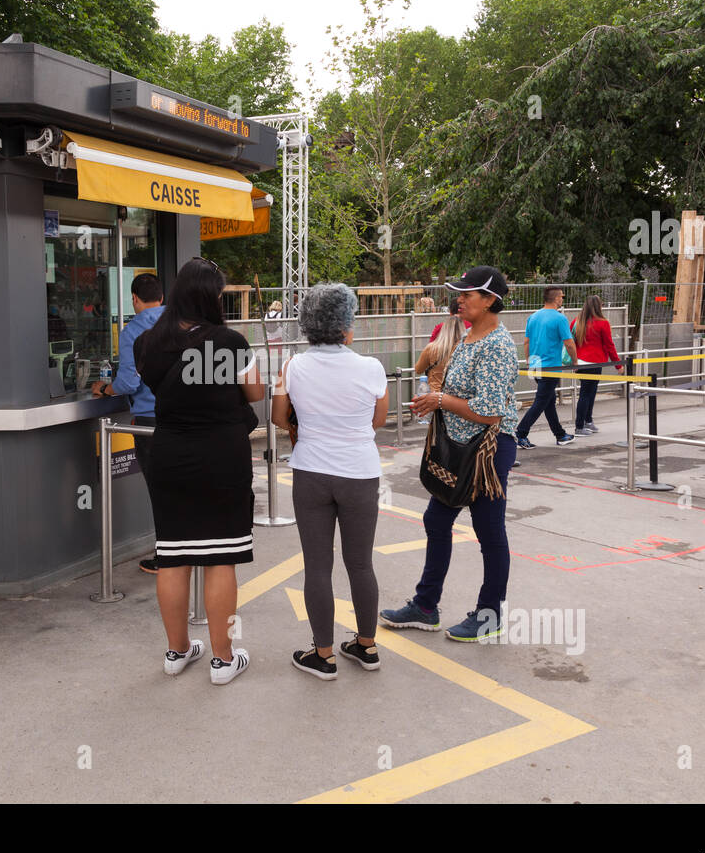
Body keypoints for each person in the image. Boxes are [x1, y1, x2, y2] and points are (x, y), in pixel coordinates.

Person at [134, 258, 265, 685]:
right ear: (213, 297)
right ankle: (223, 660)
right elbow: (256, 393)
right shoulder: (229, 342)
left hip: (168, 451)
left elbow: (156, 386)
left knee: (172, 553)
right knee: (220, 555)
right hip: (220, 454)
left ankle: (176, 652)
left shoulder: (148, 343)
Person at [380, 266, 519, 641]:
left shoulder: (497, 345)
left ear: (490, 300)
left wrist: (440, 399)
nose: (459, 299)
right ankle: (426, 606)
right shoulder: (470, 336)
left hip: (486, 453)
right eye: (458, 294)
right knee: (436, 521)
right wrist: (434, 401)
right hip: (458, 449)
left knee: (489, 532)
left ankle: (489, 614)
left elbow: (489, 410)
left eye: (467, 294)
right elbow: (458, 391)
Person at [271, 284, 389, 680]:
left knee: (317, 566)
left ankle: (323, 655)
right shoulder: (371, 368)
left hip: (311, 472)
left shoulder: (292, 366)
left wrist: (302, 427)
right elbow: (377, 421)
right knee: (360, 563)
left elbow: (276, 417)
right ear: (346, 326)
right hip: (360, 472)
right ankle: (366, 646)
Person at [91, 273, 165, 573]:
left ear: (134, 299)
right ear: (161, 296)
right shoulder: (182, 322)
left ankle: (167, 556)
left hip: (148, 421)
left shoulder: (133, 330)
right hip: (183, 418)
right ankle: (189, 550)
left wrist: (104, 388)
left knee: (159, 490)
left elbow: (128, 383)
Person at [515, 286, 577, 448]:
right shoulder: (559, 318)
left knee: (548, 400)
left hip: (535, 365)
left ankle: (560, 434)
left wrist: (528, 361)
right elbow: (569, 343)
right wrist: (575, 362)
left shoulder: (533, 317)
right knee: (542, 401)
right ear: (556, 298)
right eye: (562, 296)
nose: (562, 299)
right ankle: (520, 433)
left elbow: (526, 342)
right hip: (551, 367)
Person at [570, 295, 623, 434]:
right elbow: (609, 345)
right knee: (587, 394)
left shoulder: (577, 321)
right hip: (594, 362)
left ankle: (588, 421)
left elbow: (571, 342)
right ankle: (580, 426)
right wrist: (618, 364)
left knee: (588, 393)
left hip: (580, 362)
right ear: (599, 306)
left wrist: (574, 362)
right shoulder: (602, 323)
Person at [415, 301, 463, 402]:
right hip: (458, 400)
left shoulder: (432, 348)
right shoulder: (467, 349)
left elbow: (418, 369)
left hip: (435, 396)